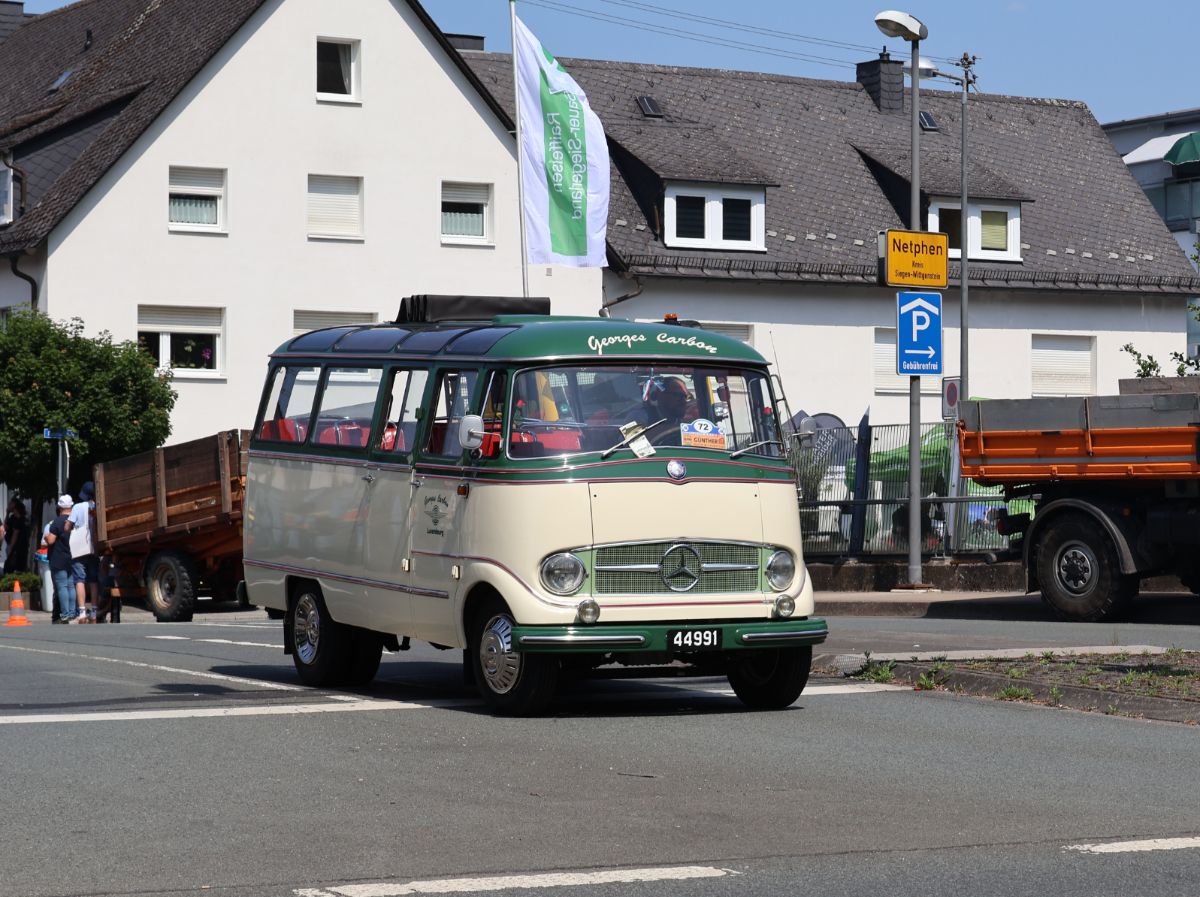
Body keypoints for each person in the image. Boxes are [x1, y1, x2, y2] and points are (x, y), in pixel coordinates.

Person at [66, 481, 99, 623]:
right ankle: (95, 612)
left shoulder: (77, 507)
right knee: (93, 580)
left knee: (79, 580)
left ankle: (82, 612)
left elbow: (68, 526)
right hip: (95, 548)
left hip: (80, 548)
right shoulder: (97, 507)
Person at [45, 495, 76, 624]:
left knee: (62, 586)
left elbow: (51, 540)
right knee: (70, 586)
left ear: (59, 507)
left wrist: (46, 537)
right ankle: (73, 612)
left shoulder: (57, 522)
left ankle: (65, 613)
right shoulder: (74, 521)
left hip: (58, 558)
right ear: (71, 506)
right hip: (72, 557)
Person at [640, 375, 693, 445]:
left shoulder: (686, 424)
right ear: (660, 395)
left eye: (685, 397)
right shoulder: (640, 416)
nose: (683, 401)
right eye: (677, 395)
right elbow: (631, 443)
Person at [4, 498, 30, 574]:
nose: (8, 506)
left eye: (10, 504)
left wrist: (10, 548)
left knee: (12, 566)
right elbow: (6, 527)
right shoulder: (14, 518)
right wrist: (7, 513)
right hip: (15, 546)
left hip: (17, 548)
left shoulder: (20, 520)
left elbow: (15, 535)